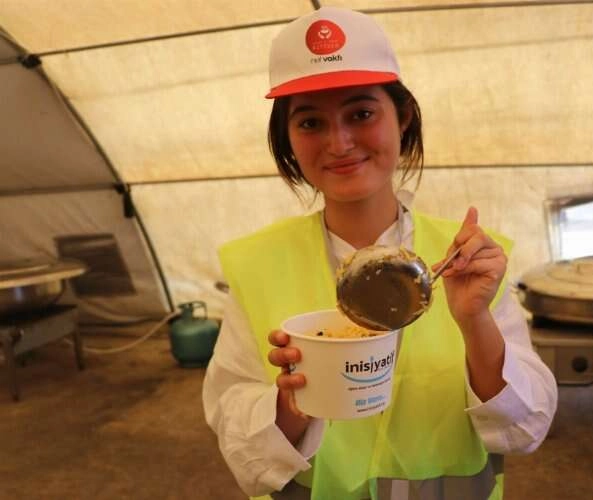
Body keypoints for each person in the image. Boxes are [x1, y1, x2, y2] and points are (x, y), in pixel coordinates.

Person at [203, 7, 557, 500]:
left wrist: (475, 321)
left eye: (361, 114)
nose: (339, 143)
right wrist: (290, 404)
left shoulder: (466, 261)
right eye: (311, 122)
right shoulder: (257, 264)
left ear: (402, 115)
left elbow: (525, 429)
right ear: (288, 137)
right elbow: (234, 424)